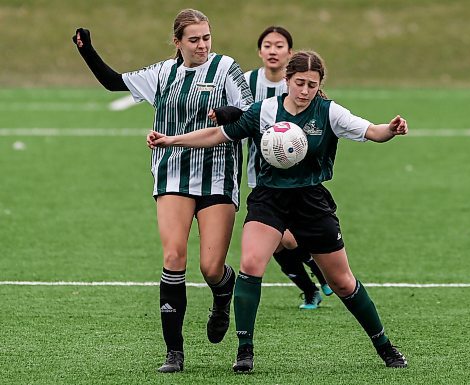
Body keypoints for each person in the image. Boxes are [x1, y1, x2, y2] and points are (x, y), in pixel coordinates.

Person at [146, 50, 409, 372]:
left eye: (312, 85)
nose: (304, 90)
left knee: (341, 281)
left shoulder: (329, 112)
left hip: (311, 201)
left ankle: (384, 345)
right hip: (269, 199)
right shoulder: (264, 110)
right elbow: (219, 134)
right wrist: (173, 140)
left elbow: (372, 131)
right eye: (299, 83)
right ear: (287, 80)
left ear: (319, 85)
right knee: (251, 263)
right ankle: (244, 351)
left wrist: (391, 130)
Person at [72, 8, 253, 373]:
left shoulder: (225, 68)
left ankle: (222, 291)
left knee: (210, 266)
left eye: (206, 37)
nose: (202, 45)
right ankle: (175, 352)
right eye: (194, 39)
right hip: (172, 176)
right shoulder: (162, 73)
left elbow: (252, 112)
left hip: (218, 176)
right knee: (173, 257)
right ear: (177, 42)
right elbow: (113, 82)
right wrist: (86, 50)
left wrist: (227, 112)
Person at [245, 26, 333, 309]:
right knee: (281, 243)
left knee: (289, 239)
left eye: (279, 45)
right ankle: (312, 287)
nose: (273, 50)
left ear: (289, 53)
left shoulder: (304, 87)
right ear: (259, 51)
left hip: (298, 178)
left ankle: (320, 276)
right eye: (267, 45)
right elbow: (237, 116)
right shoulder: (247, 82)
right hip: (260, 173)